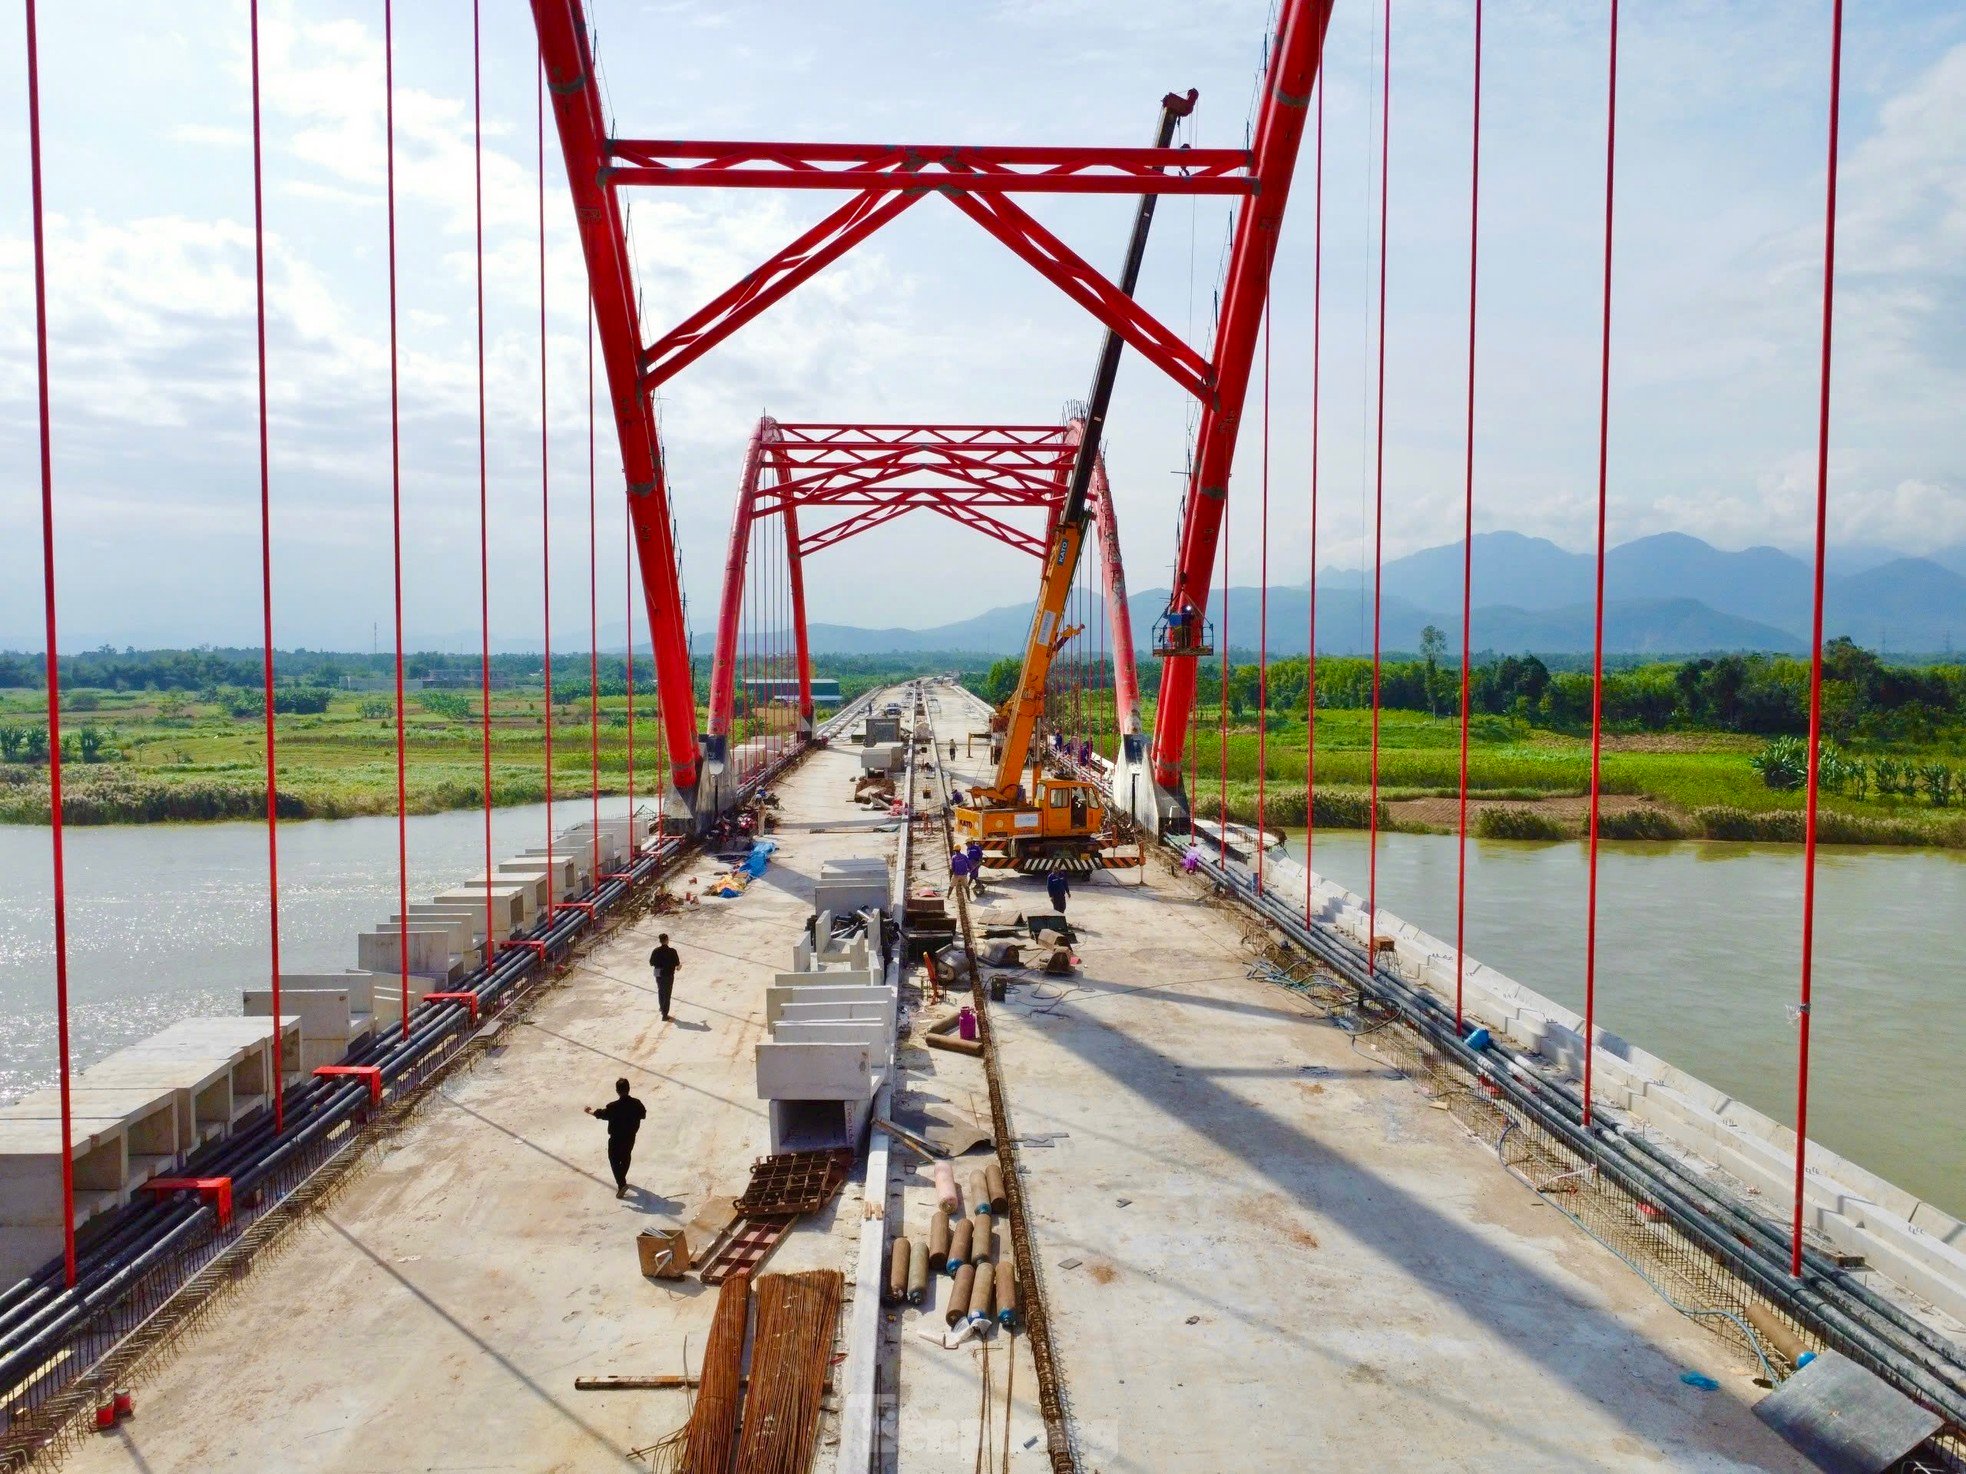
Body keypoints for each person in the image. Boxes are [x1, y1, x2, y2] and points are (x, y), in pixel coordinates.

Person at [586, 1078, 647, 1199]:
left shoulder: (613, 1107)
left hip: (616, 1138)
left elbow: (601, 1114)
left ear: (617, 1091)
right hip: (630, 1136)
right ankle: (622, 1181)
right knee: (626, 1157)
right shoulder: (636, 1103)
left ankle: (621, 1184)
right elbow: (643, 1114)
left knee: (613, 1159)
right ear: (629, 1089)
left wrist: (590, 1112)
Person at [648, 933, 681, 1021]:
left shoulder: (656, 951)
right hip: (668, 974)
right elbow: (677, 965)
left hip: (658, 973)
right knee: (667, 993)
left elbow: (651, 963)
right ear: (667, 940)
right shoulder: (672, 951)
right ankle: (664, 1014)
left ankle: (662, 1007)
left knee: (661, 990)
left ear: (660, 941)